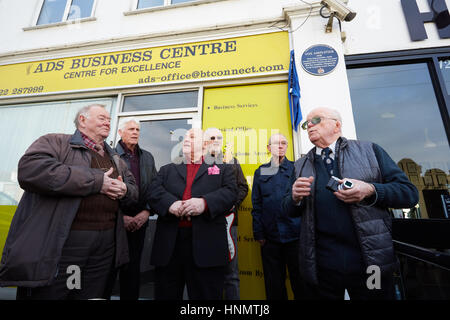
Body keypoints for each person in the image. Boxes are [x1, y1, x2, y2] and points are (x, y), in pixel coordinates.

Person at [0, 104, 138, 300]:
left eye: (109, 119)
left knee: (93, 295)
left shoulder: (115, 158)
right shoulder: (55, 142)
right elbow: (30, 171)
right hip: (65, 242)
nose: (108, 122)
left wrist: (125, 190)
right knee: (57, 293)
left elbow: (134, 192)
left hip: (106, 245)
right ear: (82, 120)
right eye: (101, 118)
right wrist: (97, 181)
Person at [286, 107, 419, 300]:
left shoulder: (370, 151)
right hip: (322, 268)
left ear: (337, 125)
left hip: (370, 264)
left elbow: (409, 194)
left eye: (316, 120)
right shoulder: (300, 165)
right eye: (307, 123)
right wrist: (294, 198)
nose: (310, 126)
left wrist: (371, 190)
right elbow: (287, 210)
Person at [149, 128, 237, 300]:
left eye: (192, 136)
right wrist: (170, 204)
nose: (186, 139)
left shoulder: (223, 168)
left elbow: (231, 193)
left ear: (205, 144)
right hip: (170, 246)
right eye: (185, 137)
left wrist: (204, 203)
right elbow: (153, 191)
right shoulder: (167, 170)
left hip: (207, 245)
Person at [251, 133, 303, 300]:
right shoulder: (260, 172)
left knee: (301, 284)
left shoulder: (297, 168)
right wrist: (258, 233)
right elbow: (257, 204)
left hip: (296, 236)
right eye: (276, 143)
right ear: (268, 148)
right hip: (270, 238)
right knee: (274, 286)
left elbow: (305, 202)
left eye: (283, 143)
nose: (280, 146)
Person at [111, 117, 157, 300]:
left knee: (133, 270)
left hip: (140, 222)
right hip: (114, 222)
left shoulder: (147, 157)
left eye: (137, 129)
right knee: (110, 269)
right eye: (131, 129)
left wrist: (146, 212)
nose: (135, 132)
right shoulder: (110, 155)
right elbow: (105, 190)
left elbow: (155, 187)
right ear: (120, 132)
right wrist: (120, 217)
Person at [203, 127, 249, 300]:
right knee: (206, 272)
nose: (216, 140)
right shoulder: (199, 162)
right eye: (212, 137)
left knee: (231, 274)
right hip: (205, 223)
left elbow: (243, 187)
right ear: (205, 141)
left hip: (229, 224)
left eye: (219, 137)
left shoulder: (232, 161)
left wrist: (230, 203)